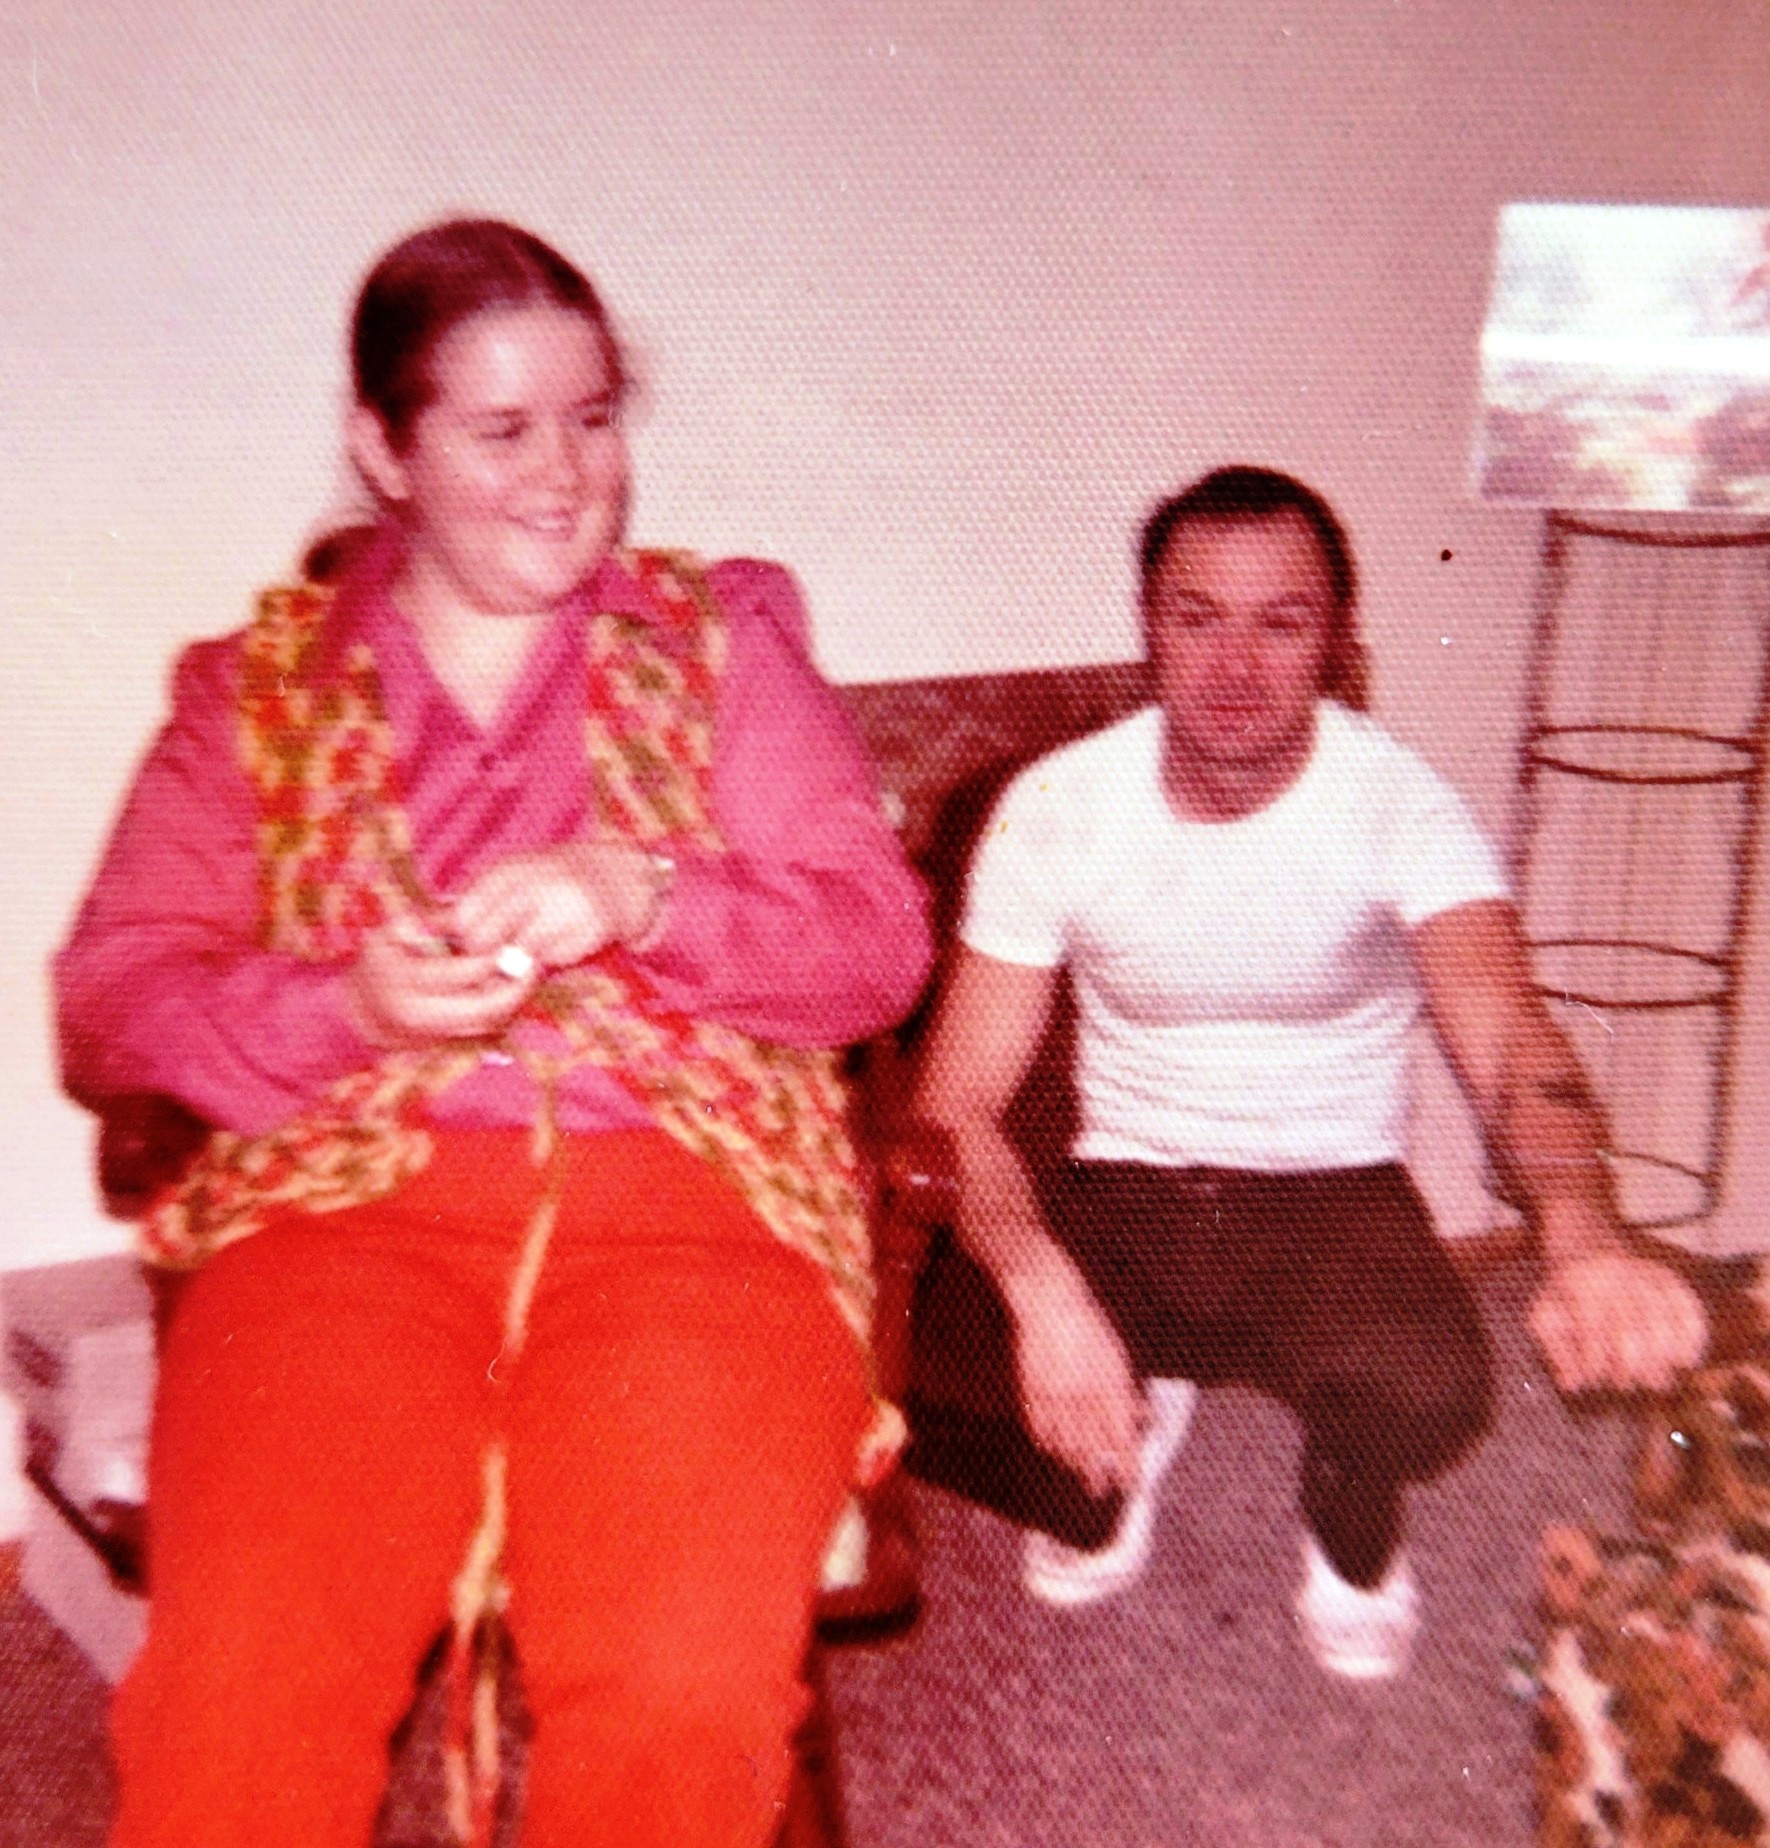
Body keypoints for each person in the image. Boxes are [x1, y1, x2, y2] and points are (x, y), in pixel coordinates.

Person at [54, 217, 932, 1847]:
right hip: (340, 1218)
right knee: (240, 1691)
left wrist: (646, 890)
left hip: (696, 1218)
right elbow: (109, 1002)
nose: (566, 477)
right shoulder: (254, 691)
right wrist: (345, 1004)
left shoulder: (720, 643)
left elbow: (874, 946)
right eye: (503, 430)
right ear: (383, 447)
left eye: (593, 420)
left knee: (674, 1697)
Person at [915, 465, 1708, 1680]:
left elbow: (1509, 1037)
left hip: (1329, 1194)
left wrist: (1582, 1229)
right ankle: (1134, 1402)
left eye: (1281, 624)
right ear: (1149, 626)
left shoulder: (1400, 805)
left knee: (1429, 1392)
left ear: (1337, 638)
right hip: (1125, 1184)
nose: (1234, 666)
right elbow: (957, 1101)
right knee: (927, 1384)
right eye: (1198, 619)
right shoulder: (1060, 807)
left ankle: (1348, 1508)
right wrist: (1043, 1294)